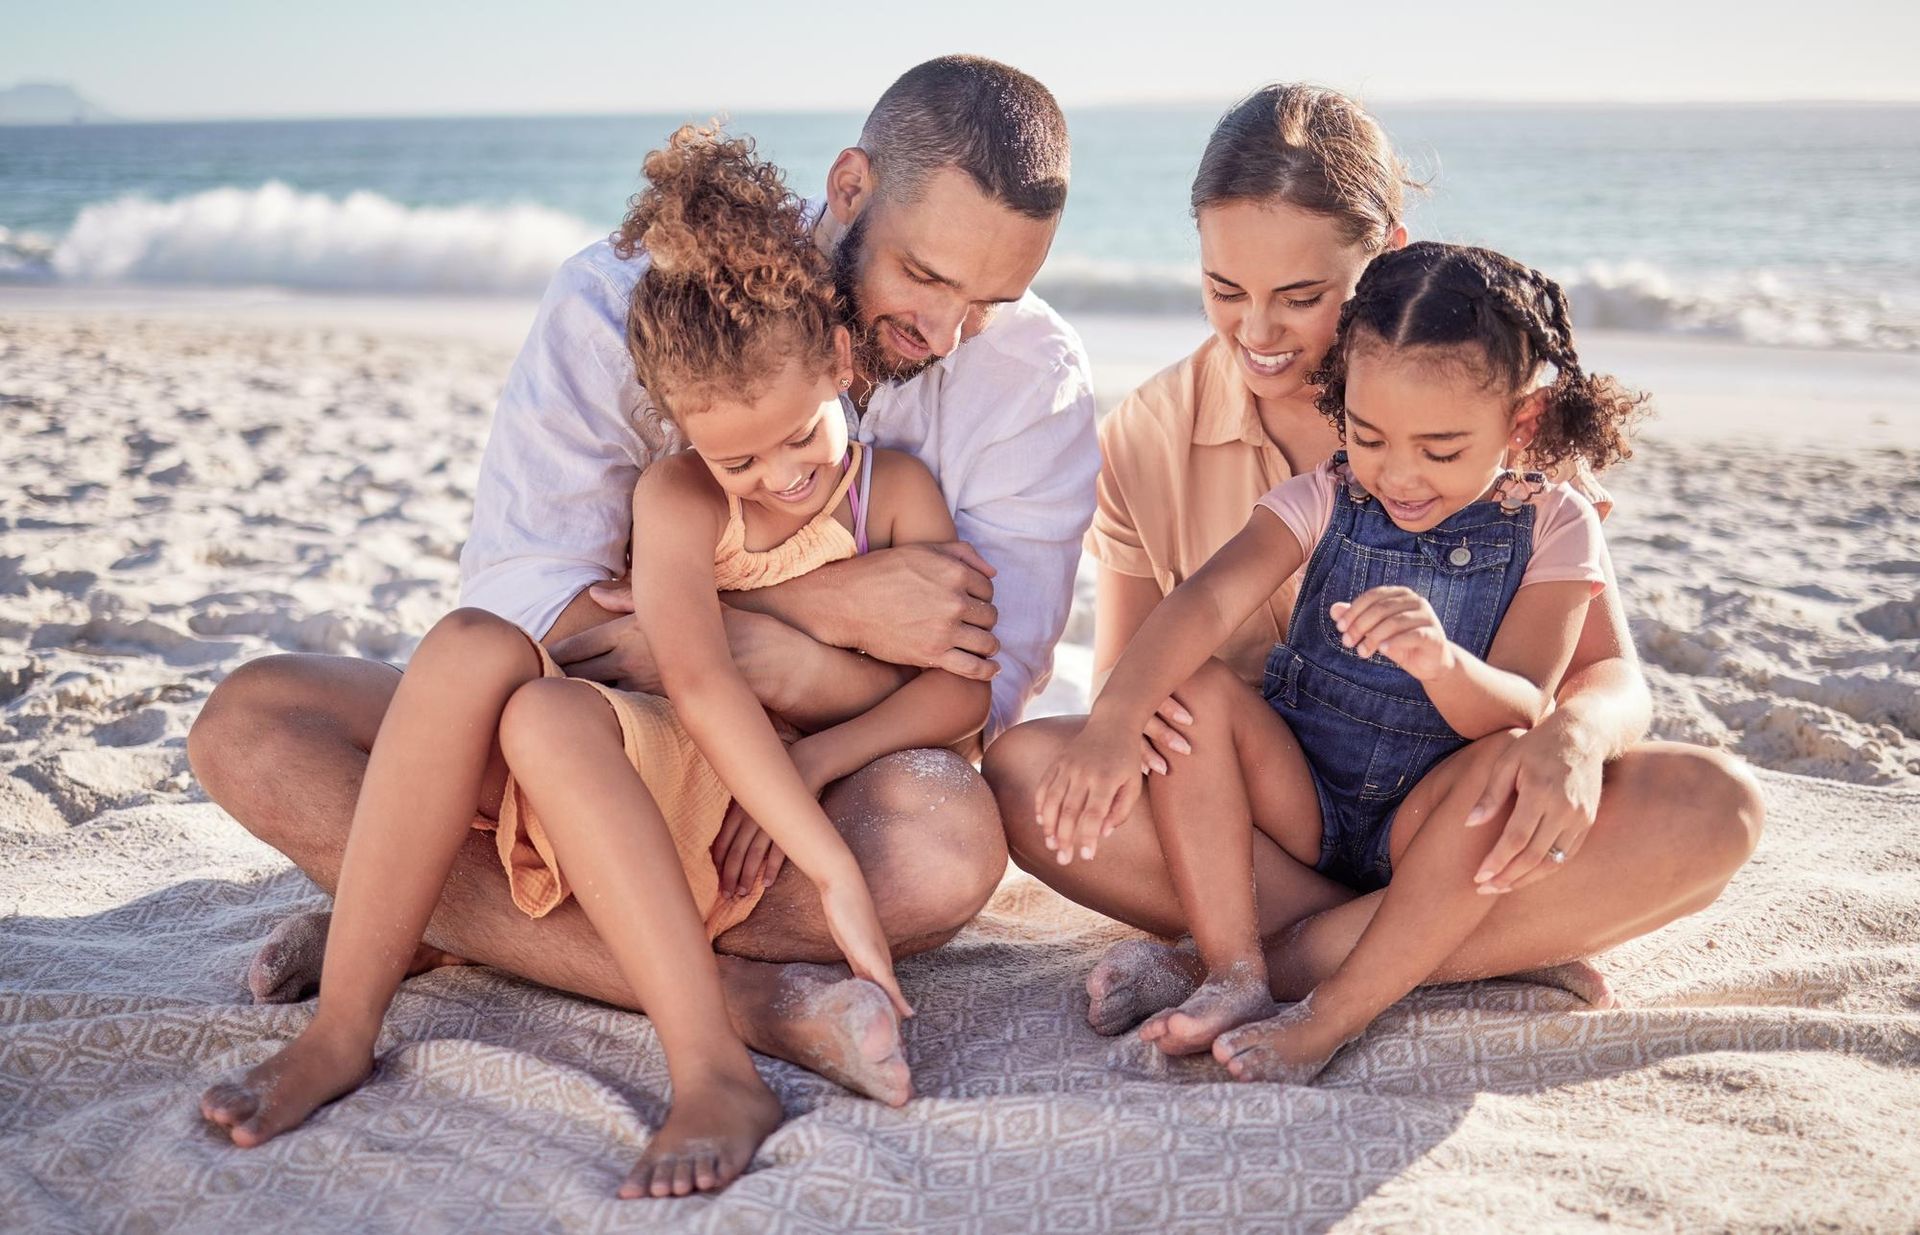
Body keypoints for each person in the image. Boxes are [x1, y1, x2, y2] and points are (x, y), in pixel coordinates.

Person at [187, 55, 1097, 1106]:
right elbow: (540, 617)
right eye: (927, 278)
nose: (943, 334)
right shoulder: (619, 304)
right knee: (250, 725)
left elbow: (977, 701)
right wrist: (810, 619)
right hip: (589, 743)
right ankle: (749, 1005)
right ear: (850, 187)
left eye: (988, 300)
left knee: (943, 843)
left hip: (793, 799)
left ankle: (430, 914)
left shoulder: (1034, 384)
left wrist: (759, 671)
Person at [983, 84, 1763, 1037]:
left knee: (1714, 807)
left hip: (1455, 813)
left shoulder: (1483, 393)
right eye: (1225, 291)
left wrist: (1575, 739)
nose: (1257, 334)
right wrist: (1142, 726)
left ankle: (1250, 962)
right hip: (1253, 828)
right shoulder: (1149, 436)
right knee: (1028, 771)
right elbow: (1134, 683)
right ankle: (1460, 949)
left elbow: (1599, 673)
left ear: (1386, 254)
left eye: (1303, 297)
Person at [1042, 241, 1675, 1081]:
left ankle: (1333, 1012)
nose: (1400, 475)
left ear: (1521, 421)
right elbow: (1202, 603)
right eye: (1370, 436)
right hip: (1305, 803)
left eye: (1441, 451)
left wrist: (1440, 662)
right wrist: (1115, 719)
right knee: (1187, 685)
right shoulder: (1328, 495)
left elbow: (1521, 709)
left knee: (1501, 769)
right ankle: (1235, 969)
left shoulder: (1554, 523)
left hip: (1432, 825)